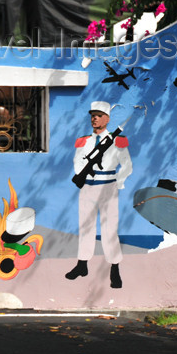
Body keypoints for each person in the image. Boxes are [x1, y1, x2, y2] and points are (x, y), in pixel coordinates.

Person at [65, 101, 132, 288]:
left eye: (99, 115)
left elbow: (127, 165)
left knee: (110, 229)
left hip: (108, 186)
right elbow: (77, 162)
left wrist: (119, 182)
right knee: (85, 226)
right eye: (92, 115)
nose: (94, 118)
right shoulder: (83, 141)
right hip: (87, 186)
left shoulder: (117, 140)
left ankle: (115, 268)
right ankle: (82, 264)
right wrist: (84, 173)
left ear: (107, 119)